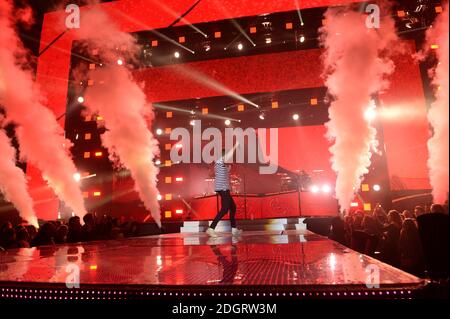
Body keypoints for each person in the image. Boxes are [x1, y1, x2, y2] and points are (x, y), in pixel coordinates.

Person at [206, 146, 242, 238]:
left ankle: (234, 229)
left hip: (225, 188)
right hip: (222, 188)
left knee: (233, 207)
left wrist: (230, 167)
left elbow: (227, 170)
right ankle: (211, 228)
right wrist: (236, 146)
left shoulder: (224, 165)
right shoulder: (218, 162)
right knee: (225, 209)